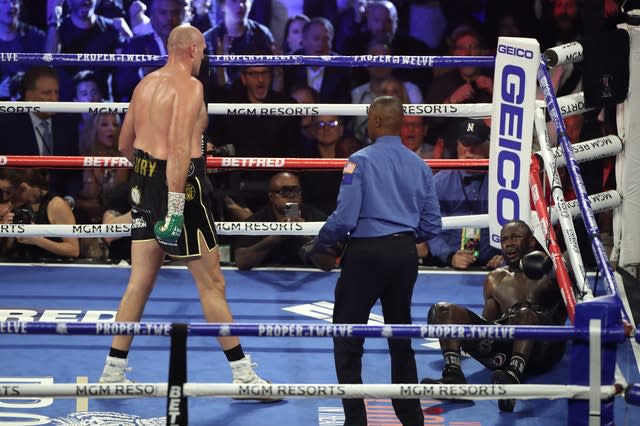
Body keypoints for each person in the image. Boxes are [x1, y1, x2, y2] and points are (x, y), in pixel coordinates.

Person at [98, 24, 277, 396]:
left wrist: (148, 181)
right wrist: (176, 204)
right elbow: (180, 149)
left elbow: (124, 144)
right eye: (204, 50)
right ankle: (244, 378)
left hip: (143, 181)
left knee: (139, 281)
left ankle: (112, 374)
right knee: (212, 284)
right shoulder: (191, 88)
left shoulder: (144, 84)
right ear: (194, 50)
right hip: (179, 188)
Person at [305, 96, 442, 426]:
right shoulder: (420, 165)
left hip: (365, 255)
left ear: (377, 122)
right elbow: (432, 225)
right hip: (404, 256)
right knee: (400, 335)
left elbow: (345, 217)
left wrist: (319, 242)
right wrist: (404, 233)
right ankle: (411, 419)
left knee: (348, 336)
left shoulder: (359, 160)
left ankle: (356, 420)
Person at [422, 220, 568, 413]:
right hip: (507, 349)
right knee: (443, 310)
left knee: (523, 311)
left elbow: (571, 289)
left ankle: (513, 379)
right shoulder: (495, 278)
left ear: (531, 241)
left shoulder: (550, 269)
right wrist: (452, 331)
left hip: (543, 350)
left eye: (515, 237)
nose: (508, 243)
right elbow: (489, 324)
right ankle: (453, 377)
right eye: (504, 239)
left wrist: (555, 265)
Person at [425, 118, 502, 269]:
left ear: (486, 146)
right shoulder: (440, 182)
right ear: (457, 145)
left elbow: (512, 223)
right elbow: (431, 229)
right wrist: (449, 256)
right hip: (449, 265)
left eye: (475, 145)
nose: (469, 151)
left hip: (494, 265)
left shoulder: (502, 182)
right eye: (465, 144)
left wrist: (505, 256)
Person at [234, 172, 327, 270]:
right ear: (271, 196)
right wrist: (277, 236)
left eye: (296, 190)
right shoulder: (258, 220)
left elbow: (327, 264)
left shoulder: (315, 217)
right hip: (266, 279)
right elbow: (242, 261)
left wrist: (302, 235)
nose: (291, 195)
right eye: (284, 191)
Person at [0, 168, 80, 261]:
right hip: (22, 268)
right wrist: (6, 231)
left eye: (8, 192)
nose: (5, 197)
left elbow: (73, 250)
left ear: (24, 188)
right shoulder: (14, 205)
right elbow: (7, 251)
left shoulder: (56, 205)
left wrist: (37, 240)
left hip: (53, 269)